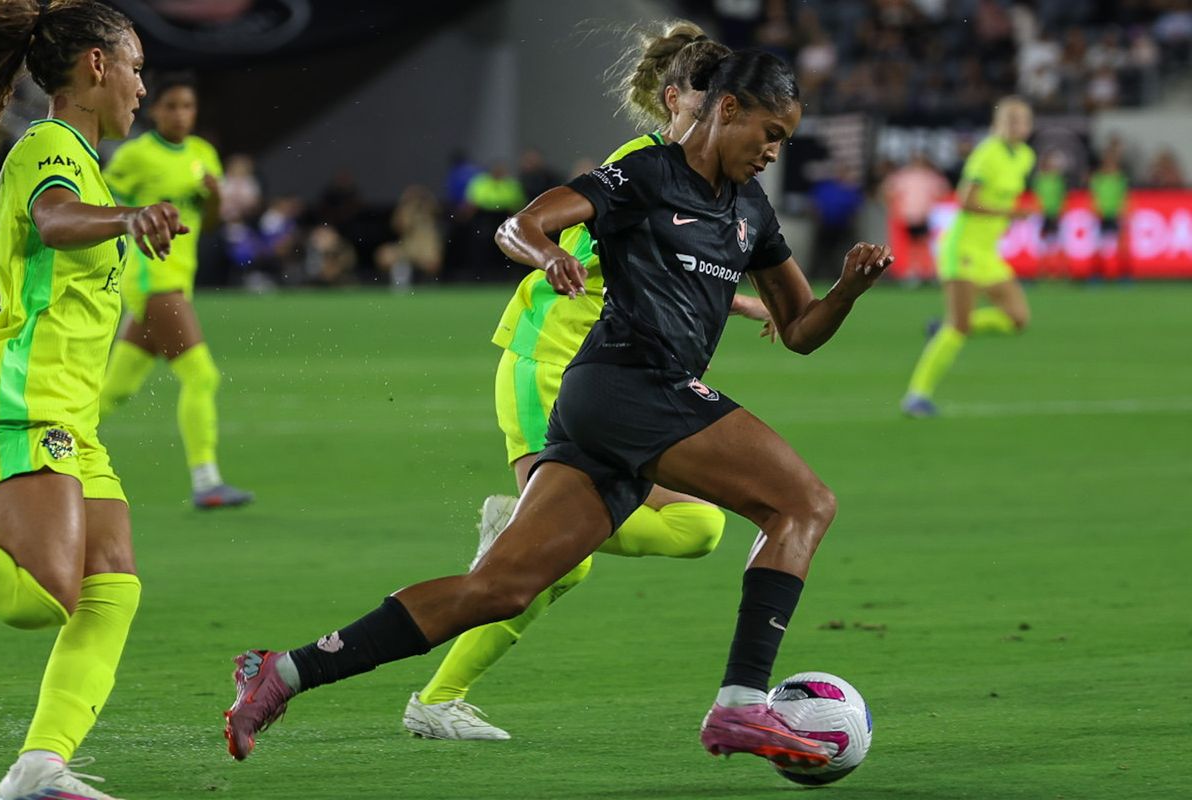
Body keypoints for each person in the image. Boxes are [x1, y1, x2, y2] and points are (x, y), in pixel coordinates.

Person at [222, 49, 893, 772]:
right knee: (804, 504)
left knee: (499, 589)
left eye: (783, 141)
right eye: (770, 133)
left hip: (613, 409)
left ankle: (281, 673)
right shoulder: (645, 175)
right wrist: (546, 255)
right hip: (629, 385)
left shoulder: (748, 212)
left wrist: (846, 293)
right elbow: (520, 226)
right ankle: (739, 705)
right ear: (727, 109)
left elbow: (799, 332)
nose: (773, 152)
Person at [402, 23, 767, 742]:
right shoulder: (642, 164)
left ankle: (509, 552)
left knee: (698, 526)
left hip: (608, 388)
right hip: (550, 367)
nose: (728, 111)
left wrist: (746, 298)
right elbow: (556, 238)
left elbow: (669, 266)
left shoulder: (686, 178)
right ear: (677, 101)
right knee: (560, 565)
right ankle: (438, 697)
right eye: (713, 97)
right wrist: (546, 257)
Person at [0, 2, 187, 798]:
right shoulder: (51, 147)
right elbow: (55, 218)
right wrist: (127, 216)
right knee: (42, 598)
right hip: (22, 400)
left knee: (113, 580)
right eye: (136, 66)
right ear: (97, 68)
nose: (144, 86)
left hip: (71, 412)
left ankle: (41, 765)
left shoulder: (84, 156)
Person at [98, 73, 252, 508]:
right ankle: (207, 483)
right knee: (201, 376)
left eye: (188, 107)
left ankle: (40, 445)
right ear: (155, 110)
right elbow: (106, 209)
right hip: (152, 279)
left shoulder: (203, 155)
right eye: (172, 106)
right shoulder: (136, 156)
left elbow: (212, 225)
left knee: (114, 389)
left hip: (178, 279)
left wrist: (216, 197)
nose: (181, 114)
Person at [901, 97, 1034, 418]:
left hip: (987, 252)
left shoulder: (1026, 157)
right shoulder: (987, 153)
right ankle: (917, 395)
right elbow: (965, 201)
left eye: (1023, 121)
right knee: (958, 327)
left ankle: (945, 327)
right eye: (1011, 121)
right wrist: (1009, 212)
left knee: (1017, 318)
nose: (1017, 127)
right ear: (999, 124)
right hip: (962, 249)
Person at [881, 152, 950, 287]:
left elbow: (944, 191)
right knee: (912, 246)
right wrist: (894, 208)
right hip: (909, 216)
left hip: (926, 216)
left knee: (925, 245)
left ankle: (929, 272)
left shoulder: (930, 176)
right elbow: (887, 191)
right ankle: (913, 273)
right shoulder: (904, 176)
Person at [1088, 139, 1129, 281]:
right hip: (1101, 216)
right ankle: (1097, 275)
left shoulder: (1120, 179)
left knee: (1120, 247)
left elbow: (1124, 197)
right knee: (1099, 247)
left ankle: (1123, 275)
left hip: (1115, 215)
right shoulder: (1098, 179)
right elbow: (1094, 197)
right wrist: (1096, 210)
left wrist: (1124, 212)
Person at [1032, 149, 1067, 279]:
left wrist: (1060, 211)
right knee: (1040, 244)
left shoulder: (1058, 180)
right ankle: (1041, 270)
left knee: (1054, 244)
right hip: (1040, 215)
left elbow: (1061, 197)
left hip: (1054, 214)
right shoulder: (1039, 179)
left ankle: (1055, 270)